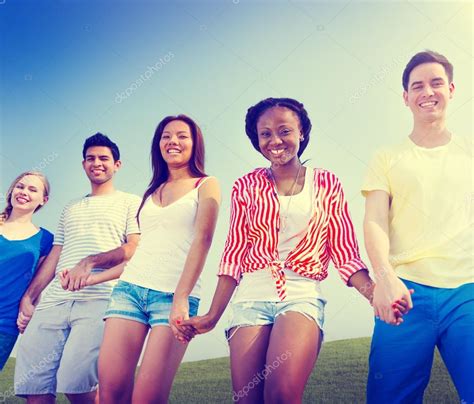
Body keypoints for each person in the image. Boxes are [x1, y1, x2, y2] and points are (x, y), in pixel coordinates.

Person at [183, 98, 376, 404]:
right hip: (250, 298)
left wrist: (374, 293)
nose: (275, 141)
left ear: (302, 133)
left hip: (301, 295)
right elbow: (234, 255)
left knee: (281, 394)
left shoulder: (326, 183)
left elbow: (344, 251)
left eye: (285, 131)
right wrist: (211, 316)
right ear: (257, 141)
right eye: (265, 134)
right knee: (247, 399)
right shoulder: (246, 185)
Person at [363, 50, 473, 403]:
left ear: (452, 89)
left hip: (467, 292)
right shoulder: (386, 157)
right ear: (406, 97)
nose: (428, 91)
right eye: (418, 85)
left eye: (436, 82)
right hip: (405, 293)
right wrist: (384, 277)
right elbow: (375, 220)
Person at [98, 115, 220, 404]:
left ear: (195, 143)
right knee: (110, 392)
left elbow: (203, 240)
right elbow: (143, 250)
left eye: (182, 136)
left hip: (173, 297)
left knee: (147, 398)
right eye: (166, 136)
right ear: (158, 144)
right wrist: (94, 276)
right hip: (129, 292)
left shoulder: (206, 184)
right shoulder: (151, 191)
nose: (173, 141)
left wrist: (181, 297)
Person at [14, 133, 140, 404]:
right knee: (33, 387)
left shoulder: (131, 202)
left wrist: (91, 261)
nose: (97, 163)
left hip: (100, 300)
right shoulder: (70, 208)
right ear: (83, 164)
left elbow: (133, 249)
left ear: (117, 164)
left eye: (104, 158)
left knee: (77, 383)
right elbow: (55, 256)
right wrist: (29, 297)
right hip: (53, 302)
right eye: (91, 158)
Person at [0, 171, 53, 371]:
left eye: (33, 189)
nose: (24, 192)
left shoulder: (46, 240)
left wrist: (29, 310)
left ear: (43, 200)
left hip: (4, 323)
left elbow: (36, 285)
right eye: (20, 186)